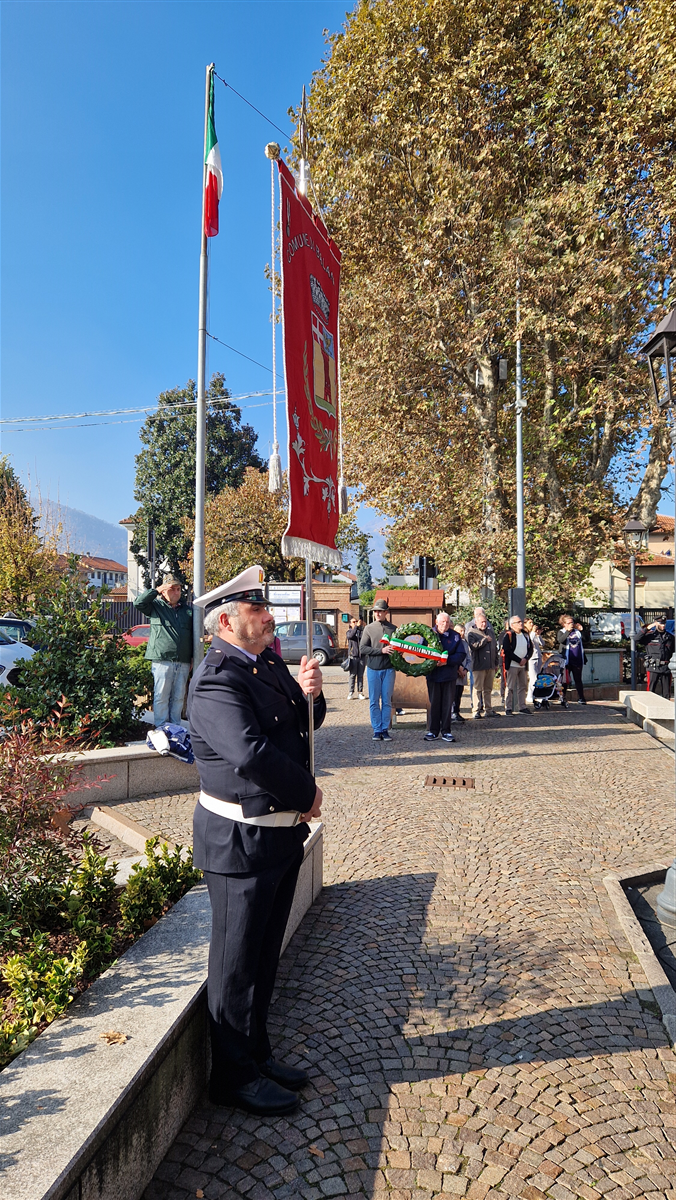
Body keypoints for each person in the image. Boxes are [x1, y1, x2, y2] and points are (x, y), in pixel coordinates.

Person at [188, 565, 325, 1117]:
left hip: (278, 839)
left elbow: (296, 725)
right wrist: (309, 792)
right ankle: (232, 1077)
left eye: (265, 607)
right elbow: (251, 754)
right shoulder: (217, 678)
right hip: (238, 843)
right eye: (256, 610)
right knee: (235, 963)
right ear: (226, 620)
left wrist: (311, 695)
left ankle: (258, 1053)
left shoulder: (264, 660)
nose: (270, 617)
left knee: (265, 956)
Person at [135, 574, 193, 727]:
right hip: (162, 660)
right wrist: (156, 590)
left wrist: (192, 657)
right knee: (161, 696)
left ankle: (175, 728)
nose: (176, 592)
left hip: (183, 661)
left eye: (179, 589)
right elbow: (138, 603)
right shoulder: (156, 607)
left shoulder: (188, 611)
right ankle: (161, 727)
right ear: (164, 591)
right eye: (172, 589)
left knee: (179, 697)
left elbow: (192, 635)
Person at [424, 612, 466, 742]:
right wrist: (430, 654)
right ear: (436, 622)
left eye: (447, 622)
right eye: (442, 622)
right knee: (434, 703)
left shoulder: (455, 636)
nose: (445, 624)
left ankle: (446, 731)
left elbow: (461, 654)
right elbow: (419, 651)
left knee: (447, 704)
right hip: (433, 675)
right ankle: (433, 731)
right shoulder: (428, 634)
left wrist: (446, 661)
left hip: (449, 675)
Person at [359, 600, 397, 741]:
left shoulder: (393, 629)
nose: (377, 613)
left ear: (386, 612)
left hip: (389, 669)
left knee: (386, 701)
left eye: (380, 611)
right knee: (374, 701)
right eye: (375, 611)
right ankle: (376, 730)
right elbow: (363, 648)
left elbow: (399, 648)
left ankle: (384, 729)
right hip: (373, 669)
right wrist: (381, 650)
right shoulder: (369, 628)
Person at [468, 611, 499, 718]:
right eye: (481, 622)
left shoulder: (490, 632)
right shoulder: (471, 633)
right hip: (478, 666)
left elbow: (495, 648)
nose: (484, 624)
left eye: (485, 622)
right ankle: (476, 710)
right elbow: (473, 646)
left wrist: (496, 663)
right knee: (477, 688)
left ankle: (488, 709)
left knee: (488, 689)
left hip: (490, 665)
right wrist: (484, 640)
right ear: (476, 622)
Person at [502, 615, 533, 714]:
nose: (521, 624)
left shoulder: (525, 634)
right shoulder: (508, 635)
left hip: (523, 666)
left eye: (521, 622)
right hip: (512, 665)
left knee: (523, 686)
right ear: (512, 625)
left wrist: (526, 659)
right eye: (518, 622)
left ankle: (522, 706)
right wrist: (519, 659)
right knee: (510, 687)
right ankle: (508, 708)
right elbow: (507, 650)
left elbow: (530, 649)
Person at [638, 617, 675, 697]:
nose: (663, 626)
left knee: (666, 693)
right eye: (661, 624)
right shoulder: (650, 636)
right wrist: (647, 628)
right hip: (653, 667)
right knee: (651, 691)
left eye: (664, 624)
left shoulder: (670, 637)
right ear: (656, 624)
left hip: (665, 667)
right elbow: (636, 639)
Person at [557, 613, 587, 704]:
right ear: (564, 624)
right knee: (565, 680)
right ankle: (562, 697)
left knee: (578, 679)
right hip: (566, 660)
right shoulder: (561, 631)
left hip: (577, 659)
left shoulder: (577, 632)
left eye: (572, 622)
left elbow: (587, 640)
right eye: (569, 623)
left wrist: (582, 630)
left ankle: (581, 698)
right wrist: (567, 631)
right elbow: (560, 640)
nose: (571, 624)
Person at [451, 621, 471, 723]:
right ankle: (452, 713)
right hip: (455, 672)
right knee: (452, 694)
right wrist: (459, 668)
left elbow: (469, 659)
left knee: (459, 694)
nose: (462, 633)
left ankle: (457, 712)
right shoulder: (453, 642)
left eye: (463, 631)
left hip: (463, 674)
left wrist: (465, 669)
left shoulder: (465, 643)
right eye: (460, 631)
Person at [524, 619, 543, 705]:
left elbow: (542, 644)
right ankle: (530, 696)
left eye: (532, 623)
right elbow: (529, 642)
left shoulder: (534, 634)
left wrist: (538, 635)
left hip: (538, 656)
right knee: (533, 678)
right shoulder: (527, 633)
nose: (532, 624)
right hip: (531, 658)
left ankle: (536, 695)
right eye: (530, 623)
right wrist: (532, 632)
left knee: (538, 677)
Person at [346, 617, 365, 699]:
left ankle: (360, 692)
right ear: (350, 624)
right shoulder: (349, 632)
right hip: (353, 656)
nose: (355, 623)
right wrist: (356, 627)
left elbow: (365, 639)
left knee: (360, 675)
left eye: (356, 621)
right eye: (353, 622)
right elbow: (350, 636)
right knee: (352, 675)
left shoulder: (361, 632)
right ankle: (351, 692)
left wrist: (363, 626)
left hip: (361, 656)